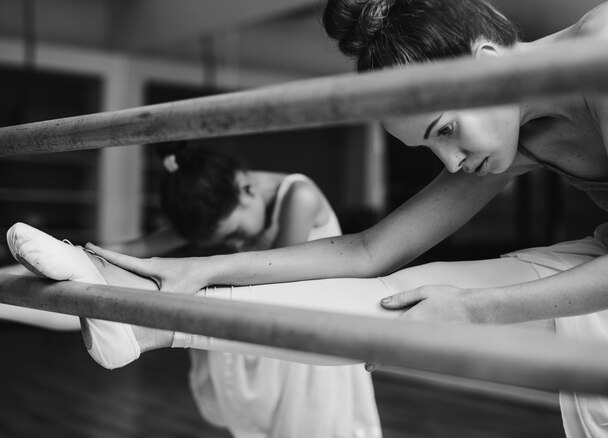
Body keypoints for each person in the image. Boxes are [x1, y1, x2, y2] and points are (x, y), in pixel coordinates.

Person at [7, 0, 608, 436]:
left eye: (446, 131)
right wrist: (195, 268)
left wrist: (469, 312)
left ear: (488, 63)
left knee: (450, 304)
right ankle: (144, 320)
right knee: (400, 300)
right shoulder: (511, 130)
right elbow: (368, 252)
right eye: (430, 147)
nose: (451, 161)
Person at [6, 145, 383, 438]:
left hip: (298, 325)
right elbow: (134, 249)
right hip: (260, 321)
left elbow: (275, 279)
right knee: (119, 289)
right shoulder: (212, 206)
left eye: (235, 234)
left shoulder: (298, 195)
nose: (238, 242)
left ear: (248, 190)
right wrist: (91, 254)